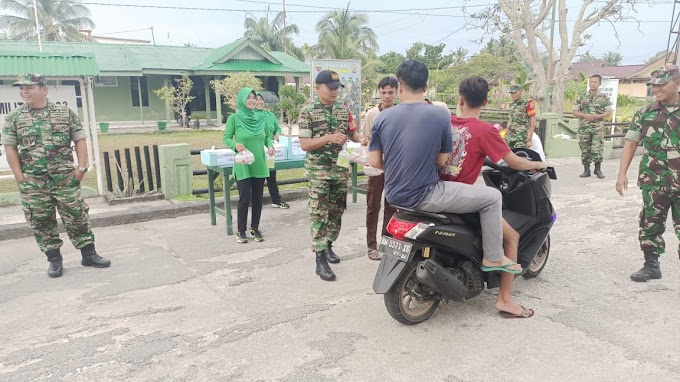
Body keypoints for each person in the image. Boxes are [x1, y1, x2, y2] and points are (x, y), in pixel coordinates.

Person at [368, 60, 524, 282]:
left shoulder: (382, 117)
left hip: (393, 197)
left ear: (400, 87)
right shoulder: (440, 115)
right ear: (425, 87)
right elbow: (443, 160)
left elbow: (374, 161)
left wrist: (399, 164)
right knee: (492, 196)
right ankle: (493, 256)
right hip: (426, 194)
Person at [441, 76, 547, 318]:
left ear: (460, 99)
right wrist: (539, 163)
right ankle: (505, 300)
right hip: (463, 198)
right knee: (512, 237)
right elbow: (512, 160)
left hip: (438, 192)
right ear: (486, 101)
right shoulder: (486, 130)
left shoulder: (446, 123)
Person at [1, 73, 111, 278]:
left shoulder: (64, 113)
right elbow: (10, 148)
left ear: (44, 89)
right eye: (21, 88)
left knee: (77, 216)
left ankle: (89, 254)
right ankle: (54, 261)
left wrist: (82, 168)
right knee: (41, 221)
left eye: (29, 87)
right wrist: (20, 178)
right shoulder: (14, 118)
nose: (24, 91)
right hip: (33, 182)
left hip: (65, 179)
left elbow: (79, 140)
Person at [298, 70, 365, 281]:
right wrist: (328, 138)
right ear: (318, 88)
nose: (335, 92)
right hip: (318, 171)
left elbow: (353, 133)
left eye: (337, 88)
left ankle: (328, 246)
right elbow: (304, 144)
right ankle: (320, 260)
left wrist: (362, 140)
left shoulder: (343, 109)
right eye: (330, 88)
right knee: (319, 213)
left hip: (340, 170)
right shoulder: (307, 111)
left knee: (336, 211)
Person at [616, 65, 680, 283]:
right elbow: (631, 143)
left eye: (662, 84)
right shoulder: (644, 113)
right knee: (649, 224)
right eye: (654, 85)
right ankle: (651, 265)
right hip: (654, 181)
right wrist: (621, 174)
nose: (657, 89)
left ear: (677, 83)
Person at [224, 87, 275, 243]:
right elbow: (226, 138)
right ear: (242, 100)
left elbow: (267, 136)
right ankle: (241, 231)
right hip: (243, 163)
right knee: (244, 198)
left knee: (258, 198)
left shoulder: (261, 118)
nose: (252, 100)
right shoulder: (234, 118)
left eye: (254, 97)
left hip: (259, 163)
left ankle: (255, 228)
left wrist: (270, 145)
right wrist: (235, 145)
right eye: (249, 98)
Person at [362, 76, 398, 261]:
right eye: (383, 92)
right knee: (372, 205)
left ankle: (387, 242)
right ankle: (371, 245)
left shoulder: (401, 113)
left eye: (390, 92)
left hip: (396, 168)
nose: (387, 96)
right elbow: (366, 139)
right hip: (376, 167)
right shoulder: (371, 115)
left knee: (392, 206)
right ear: (379, 93)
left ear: (397, 93)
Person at [573, 74, 612, 178]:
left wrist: (598, 116)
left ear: (599, 83)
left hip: (598, 127)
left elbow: (608, 113)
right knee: (585, 148)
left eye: (595, 82)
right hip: (584, 127)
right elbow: (575, 112)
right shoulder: (581, 97)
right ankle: (586, 170)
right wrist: (584, 115)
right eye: (591, 82)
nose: (593, 84)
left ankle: (598, 169)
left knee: (597, 148)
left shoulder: (604, 98)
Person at [255, 92, 289, 209]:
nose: (259, 102)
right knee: (258, 178)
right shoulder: (251, 116)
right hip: (257, 150)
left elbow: (277, 128)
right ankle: (254, 202)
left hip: (270, 150)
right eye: (257, 100)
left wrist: (278, 133)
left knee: (271, 176)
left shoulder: (270, 115)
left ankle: (276, 200)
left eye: (261, 100)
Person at [505, 85, 537, 149]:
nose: (513, 95)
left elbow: (533, 119)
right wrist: (506, 132)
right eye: (511, 93)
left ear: (521, 92)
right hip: (511, 135)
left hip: (522, 135)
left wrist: (530, 135)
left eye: (515, 92)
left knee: (520, 154)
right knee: (510, 155)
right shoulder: (512, 104)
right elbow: (510, 119)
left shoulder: (527, 103)